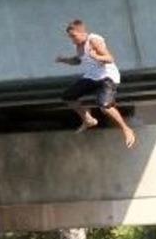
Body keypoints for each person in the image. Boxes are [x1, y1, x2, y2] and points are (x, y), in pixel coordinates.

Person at [56, 19, 136, 148]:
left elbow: (110, 58)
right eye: (70, 37)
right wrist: (64, 60)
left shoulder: (94, 40)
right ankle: (88, 119)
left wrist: (97, 57)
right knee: (68, 96)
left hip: (107, 76)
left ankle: (126, 129)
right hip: (92, 76)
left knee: (105, 106)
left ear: (82, 33)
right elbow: (78, 61)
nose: (72, 40)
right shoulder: (78, 46)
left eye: (74, 36)